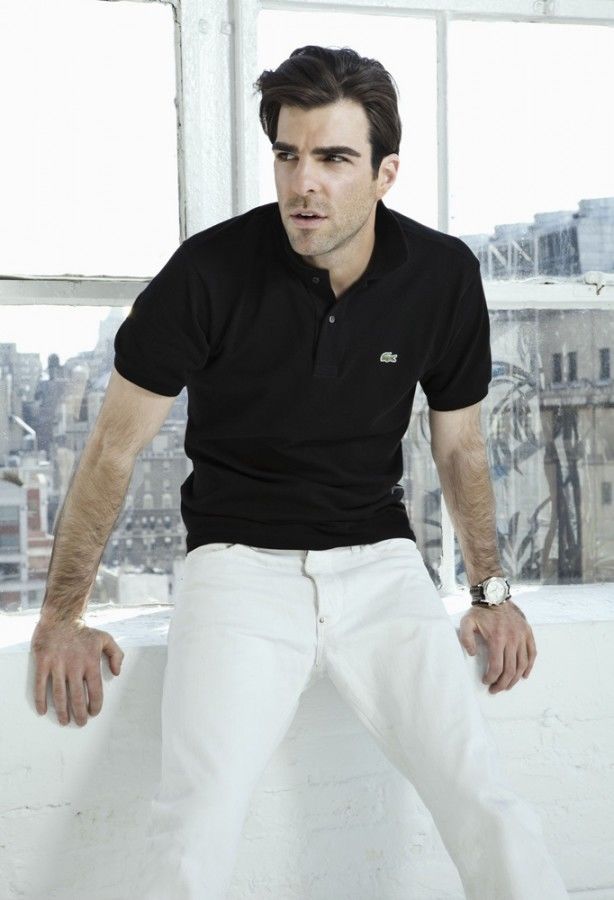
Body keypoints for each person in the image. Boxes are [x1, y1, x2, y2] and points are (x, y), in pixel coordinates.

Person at [30, 45, 568, 899]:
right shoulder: (209, 272)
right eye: (287, 154)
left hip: (381, 564)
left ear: (386, 173)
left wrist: (491, 594)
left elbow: (461, 448)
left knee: (483, 798)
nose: (303, 184)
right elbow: (111, 450)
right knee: (195, 820)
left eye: (333, 158)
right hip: (236, 568)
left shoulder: (440, 277)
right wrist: (62, 616)